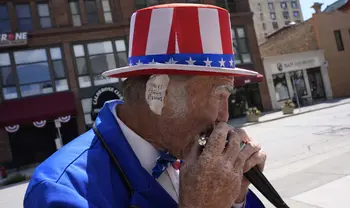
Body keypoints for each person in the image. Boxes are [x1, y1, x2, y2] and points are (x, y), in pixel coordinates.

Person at [24, 4, 267, 208]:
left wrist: (236, 198)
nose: (224, 116)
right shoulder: (62, 189)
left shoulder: (181, 144)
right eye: (218, 96)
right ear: (157, 93)